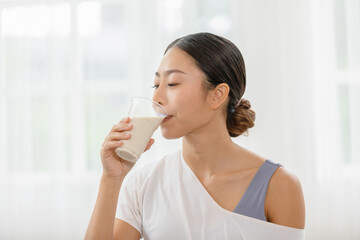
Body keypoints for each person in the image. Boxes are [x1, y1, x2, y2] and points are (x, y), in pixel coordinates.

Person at [85, 32, 305, 240]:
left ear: (217, 95)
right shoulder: (144, 183)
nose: (157, 98)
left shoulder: (278, 186)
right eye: (156, 84)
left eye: (172, 83)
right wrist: (111, 179)